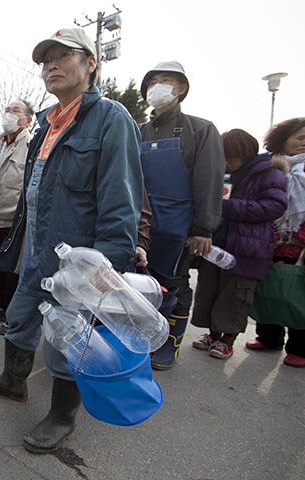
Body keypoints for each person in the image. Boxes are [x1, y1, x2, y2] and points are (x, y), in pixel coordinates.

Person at [0, 28, 143, 453]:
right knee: (20, 313)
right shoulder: (46, 125)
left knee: (68, 337)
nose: (51, 64)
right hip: (38, 248)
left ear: (91, 64)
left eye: (62, 55)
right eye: (45, 59)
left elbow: (120, 196)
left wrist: (109, 262)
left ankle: (62, 417)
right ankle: (14, 381)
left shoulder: (110, 118)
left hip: (79, 257)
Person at [139, 61, 226, 370]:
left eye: (166, 81)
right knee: (140, 286)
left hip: (179, 226)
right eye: (152, 82)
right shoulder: (139, 131)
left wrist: (204, 227)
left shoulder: (200, 130)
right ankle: (143, 339)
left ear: (181, 89)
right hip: (142, 224)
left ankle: (168, 344)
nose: (157, 87)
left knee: (173, 284)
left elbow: (210, 181)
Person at [190, 129, 287, 359]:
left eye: (233, 156)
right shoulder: (218, 171)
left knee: (236, 296)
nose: (228, 161)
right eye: (224, 156)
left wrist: (229, 207)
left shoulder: (269, 172)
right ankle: (213, 335)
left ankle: (228, 340)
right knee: (209, 291)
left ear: (248, 152)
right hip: (215, 247)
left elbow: (275, 206)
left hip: (247, 248)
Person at [246, 117, 305, 367]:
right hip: (269, 238)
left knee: (298, 294)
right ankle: (269, 338)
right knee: (268, 289)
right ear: (283, 139)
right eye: (300, 138)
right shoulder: (267, 167)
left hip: (299, 242)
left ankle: (300, 347)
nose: (304, 143)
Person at [0, 100, 33, 335]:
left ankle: (14, 315)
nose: (9, 115)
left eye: (16, 111)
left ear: (28, 119)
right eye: (7, 110)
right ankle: (1, 306)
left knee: (12, 271)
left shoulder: (31, 144)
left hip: (16, 219)